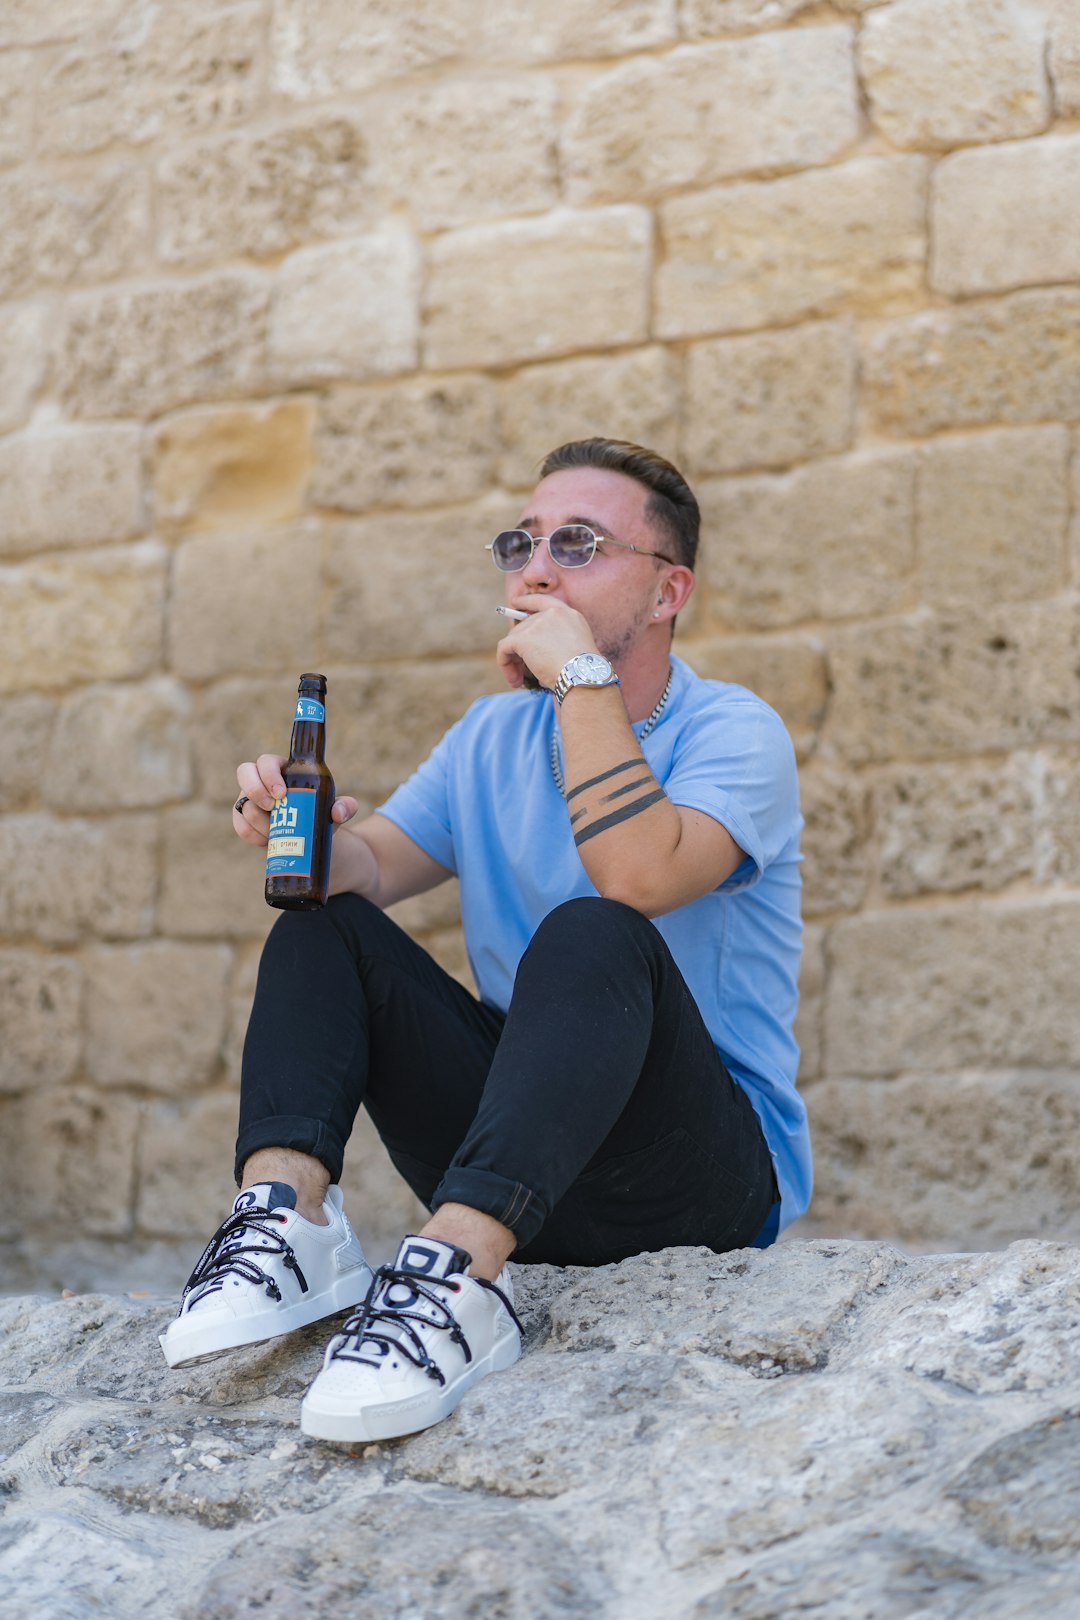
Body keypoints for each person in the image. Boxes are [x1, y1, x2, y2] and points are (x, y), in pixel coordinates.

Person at [159, 437, 810, 1444]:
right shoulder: (488, 739)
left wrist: (582, 681)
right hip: (528, 1157)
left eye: (579, 544)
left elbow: (635, 876)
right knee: (325, 922)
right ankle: (288, 1223)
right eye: (522, 543)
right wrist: (306, 838)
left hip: (696, 1172)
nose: (536, 569)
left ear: (668, 589)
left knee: (595, 929)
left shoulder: (736, 733)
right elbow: (370, 870)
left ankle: (456, 1277)